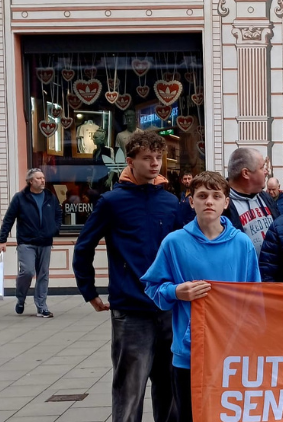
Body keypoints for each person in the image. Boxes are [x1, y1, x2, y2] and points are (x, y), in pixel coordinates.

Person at [73, 130, 180, 422]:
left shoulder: (171, 202)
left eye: (158, 157)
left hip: (169, 308)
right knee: (129, 391)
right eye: (147, 158)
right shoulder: (112, 202)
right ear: (130, 162)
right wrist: (89, 291)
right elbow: (83, 247)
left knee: (170, 390)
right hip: (131, 310)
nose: (155, 163)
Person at [142, 171, 260, 422]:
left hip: (231, 351)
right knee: (190, 415)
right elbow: (153, 287)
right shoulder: (174, 243)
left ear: (226, 203)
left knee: (229, 417)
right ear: (191, 201)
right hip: (189, 353)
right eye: (202, 196)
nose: (209, 201)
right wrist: (176, 291)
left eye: (216, 196)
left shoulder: (242, 244)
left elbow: (255, 299)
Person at [0, 168, 62, 318]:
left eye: (43, 178)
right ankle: (21, 298)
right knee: (27, 271)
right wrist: (2, 240)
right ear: (30, 181)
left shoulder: (50, 197)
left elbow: (58, 214)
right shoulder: (20, 198)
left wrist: (54, 229)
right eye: (38, 178)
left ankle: (42, 307)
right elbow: (9, 219)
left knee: (43, 274)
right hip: (26, 242)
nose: (42, 180)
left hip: (45, 241)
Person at [223, 147, 277, 253]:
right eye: (262, 167)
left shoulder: (266, 198)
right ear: (246, 173)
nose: (266, 172)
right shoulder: (222, 206)